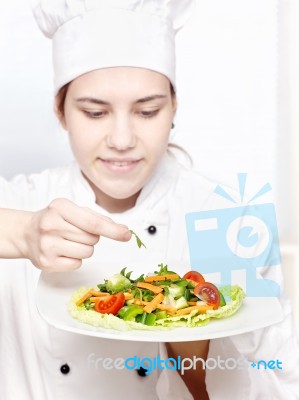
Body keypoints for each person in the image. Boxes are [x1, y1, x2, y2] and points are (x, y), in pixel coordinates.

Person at [0, 1, 298, 399]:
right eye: (94, 113)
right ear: (61, 111)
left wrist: (194, 359)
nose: (122, 140)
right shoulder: (20, 200)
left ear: (174, 107)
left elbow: (281, 378)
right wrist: (20, 234)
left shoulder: (229, 217)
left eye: (147, 111)